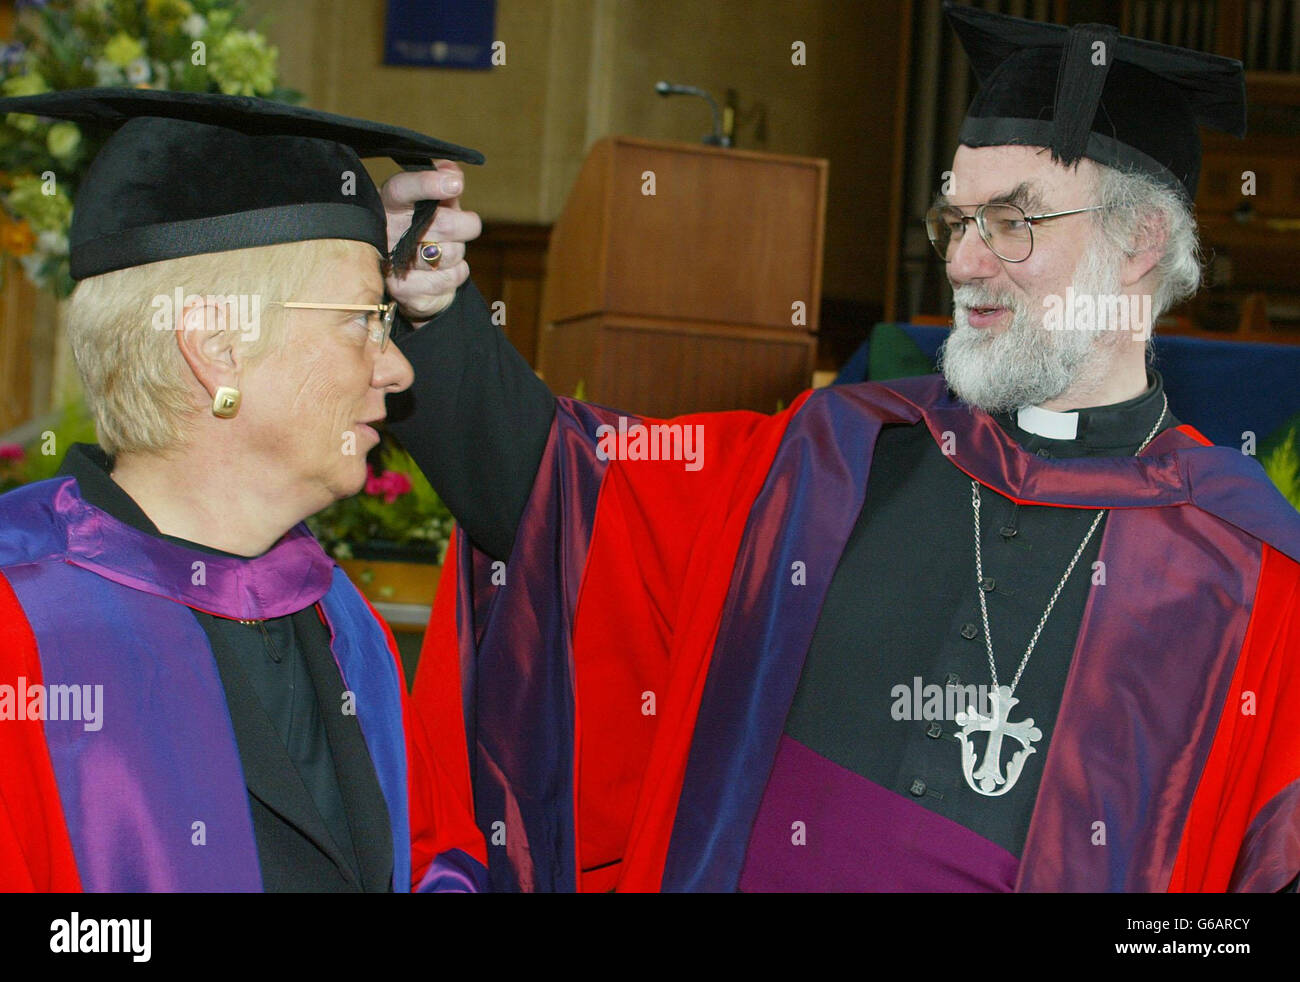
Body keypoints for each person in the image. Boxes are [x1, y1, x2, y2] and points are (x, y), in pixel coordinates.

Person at [387, 4, 1300, 892]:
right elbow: (562, 495)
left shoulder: (1250, 576)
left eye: (1013, 221)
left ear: (1139, 244)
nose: (964, 261)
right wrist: (432, 315)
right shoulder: (832, 460)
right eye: (956, 219)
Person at [0, 89, 485, 892]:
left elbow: (440, 857)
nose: (397, 371)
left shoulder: (342, 620)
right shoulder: (27, 633)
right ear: (216, 349)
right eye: (363, 318)